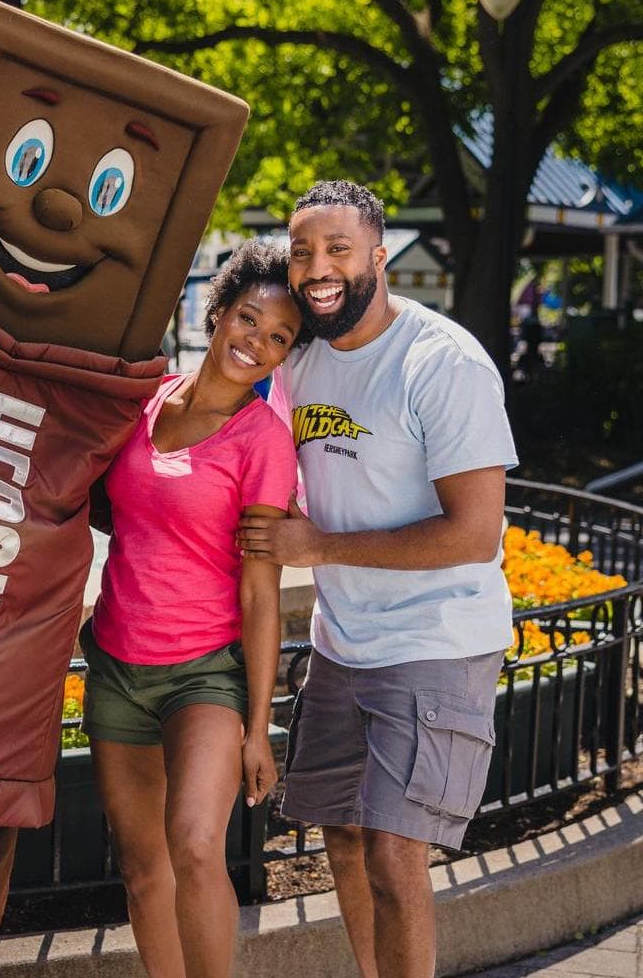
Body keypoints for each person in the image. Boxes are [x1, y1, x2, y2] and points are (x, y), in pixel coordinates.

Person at [237, 181, 518, 978]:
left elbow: (473, 533)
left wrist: (318, 546)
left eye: (337, 250)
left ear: (378, 257)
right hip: (342, 642)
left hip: (435, 636)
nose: (317, 268)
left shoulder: (443, 363)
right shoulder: (305, 358)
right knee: (348, 842)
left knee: (396, 852)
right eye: (302, 252)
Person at [87, 239, 300, 977]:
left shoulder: (263, 440)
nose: (258, 343)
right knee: (144, 871)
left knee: (196, 846)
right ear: (218, 312)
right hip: (115, 666)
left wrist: (259, 726)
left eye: (279, 338)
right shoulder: (147, 399)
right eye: (249, 319)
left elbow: (260, 589)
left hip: (204, 673)